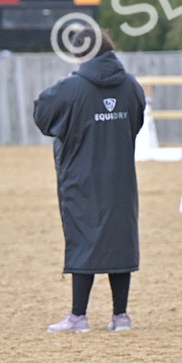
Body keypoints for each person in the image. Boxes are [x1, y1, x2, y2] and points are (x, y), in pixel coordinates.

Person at [34, 26, 145, 333]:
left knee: (84, 237)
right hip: (121, 176)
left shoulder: (72, 88)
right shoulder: (131, 86)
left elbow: (42, 113)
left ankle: (78, 316)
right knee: (119, 239)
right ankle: (120, 315)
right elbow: (136, 121)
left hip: (82, 177)